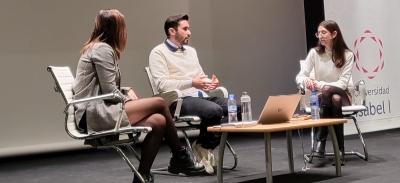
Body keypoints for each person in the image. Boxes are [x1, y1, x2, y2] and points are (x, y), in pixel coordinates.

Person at [72, 9, 205, 183]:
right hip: (94, 114)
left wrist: (126, 91)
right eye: (123, 27)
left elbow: (105, 86)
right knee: (158, 102)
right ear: (116, 28)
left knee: (159, 121)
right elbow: (109, 93)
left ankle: (142, 175)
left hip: (98, 109)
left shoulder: (99, 47)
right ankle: (179, 155)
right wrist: (129, 99)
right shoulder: (102, 50)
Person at [149, 13, 241, 174]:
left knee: (238, 107)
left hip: (200, 98)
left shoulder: (191, 51)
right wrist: (192, 82)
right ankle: (203, 148)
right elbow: (162, 85)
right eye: (185, 29)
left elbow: (200, 77)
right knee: (214, 111)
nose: (189, 32)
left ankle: (203, 146)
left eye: (189, 29)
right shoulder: (158, 53)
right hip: (178, 101)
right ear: (172, 31)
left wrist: (210, 83)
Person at [296, 20, 355, 166]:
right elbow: (300, 76)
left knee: (332, 93)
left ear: (334, 34)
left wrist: (319, 84)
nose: (320, 36)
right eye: (319, 33)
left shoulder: (348, 55)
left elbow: (342, 83)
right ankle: (340, 150)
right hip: (326, 98)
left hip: (344, 94)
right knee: (333, 98)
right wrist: (306, 81)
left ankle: (321, 141)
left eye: (324, 33)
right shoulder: (314, 53)